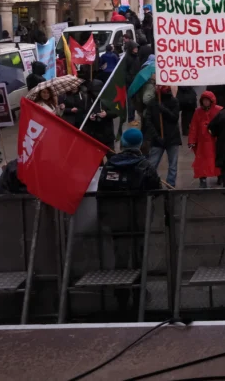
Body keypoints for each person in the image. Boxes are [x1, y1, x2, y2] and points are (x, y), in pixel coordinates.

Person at [97, 128, 160, 313]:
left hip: (117, 220)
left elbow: (102, 192)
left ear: (123, 144)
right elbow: (155, 189)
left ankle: (121, 295)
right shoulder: (145, 166)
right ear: (139, 144)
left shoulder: (110, 165)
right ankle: (140, 294)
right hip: (139, 218)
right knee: (140, 256)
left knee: (121, 258)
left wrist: (105, 217)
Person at [142, 84, 181, 187]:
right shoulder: (152, 103)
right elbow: (149, 122)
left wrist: (164, 110)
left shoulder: (174, 101)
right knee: (152, 164)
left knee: (173, 166)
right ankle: (151, 185)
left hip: (172, 138)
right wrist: (156, 137)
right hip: (158, 139)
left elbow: (174, 118)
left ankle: (170, 186)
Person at [188, 91, 222, 188]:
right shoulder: (198, 112)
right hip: (202, 143)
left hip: (214, 141)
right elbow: (193, 127)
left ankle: (220, 176)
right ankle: (202, 178)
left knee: (217, 159)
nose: (205, 102)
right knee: (202, 162)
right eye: (204, 100)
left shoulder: (219, 110)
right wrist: (192, 141)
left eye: (207, 100)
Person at [83, 80, 116, 151]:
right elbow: (82, 113)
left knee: (111, 156)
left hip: (107, 133)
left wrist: (107, 114)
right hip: (93, 134)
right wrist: (89, 116)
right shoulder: (86, 99)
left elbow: (116, 112)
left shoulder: (108, 98)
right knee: (97, 159)